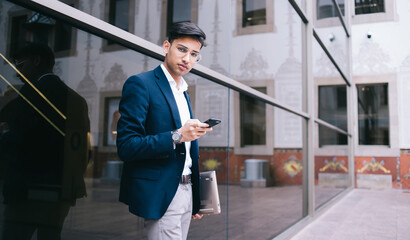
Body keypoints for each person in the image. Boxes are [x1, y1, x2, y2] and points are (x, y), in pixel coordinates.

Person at [116, 22, 211, 240]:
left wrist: (196, 197)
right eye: (182, 49)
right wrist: (177, 135)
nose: (187, 59)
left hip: (187, 191)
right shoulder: (141, 84)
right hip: (162, 193)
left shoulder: (183, 91)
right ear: (166, 46)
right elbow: (126, 146)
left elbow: (186, 152)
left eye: (194, 54)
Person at [0, 42, 90, 240]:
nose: (18, 73)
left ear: (37, 61)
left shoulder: (30, 93)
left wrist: (4, 136)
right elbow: (83, 148)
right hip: (61, 189)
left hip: (28, 188)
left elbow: (19, 140)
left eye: (21, 65)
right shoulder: (75, 99)